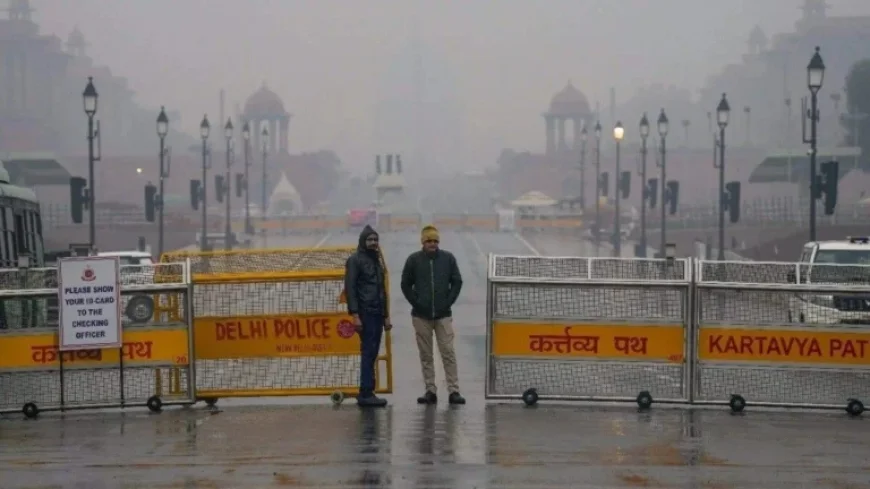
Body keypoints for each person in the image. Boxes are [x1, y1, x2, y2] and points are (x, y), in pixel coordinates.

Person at [401, 225, 466, 405]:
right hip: (421, 316)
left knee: (448, 352)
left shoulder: (448, 259)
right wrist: (417, 302)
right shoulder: (413, 260)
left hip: (443, 315)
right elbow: (405, 284)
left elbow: (457, 281)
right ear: (423, 242)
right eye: (429, 241)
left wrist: (448, 301)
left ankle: (454, 390)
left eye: (435, 241)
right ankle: (430, 390)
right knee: (426, 354)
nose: (432, 244)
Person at [345, 225, 391, 407]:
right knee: (368, 353)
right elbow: (350, 289)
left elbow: (382, 291)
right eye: (370, 240)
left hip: (377, 313)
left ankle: (367, 391)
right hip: (365, 314)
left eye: (376, 240)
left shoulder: (377, 261)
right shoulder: (355, 260)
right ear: (363, 242)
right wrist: (355, 315)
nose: (373, 243)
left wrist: (386, 316)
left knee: (371, 353)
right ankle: (365, 392)